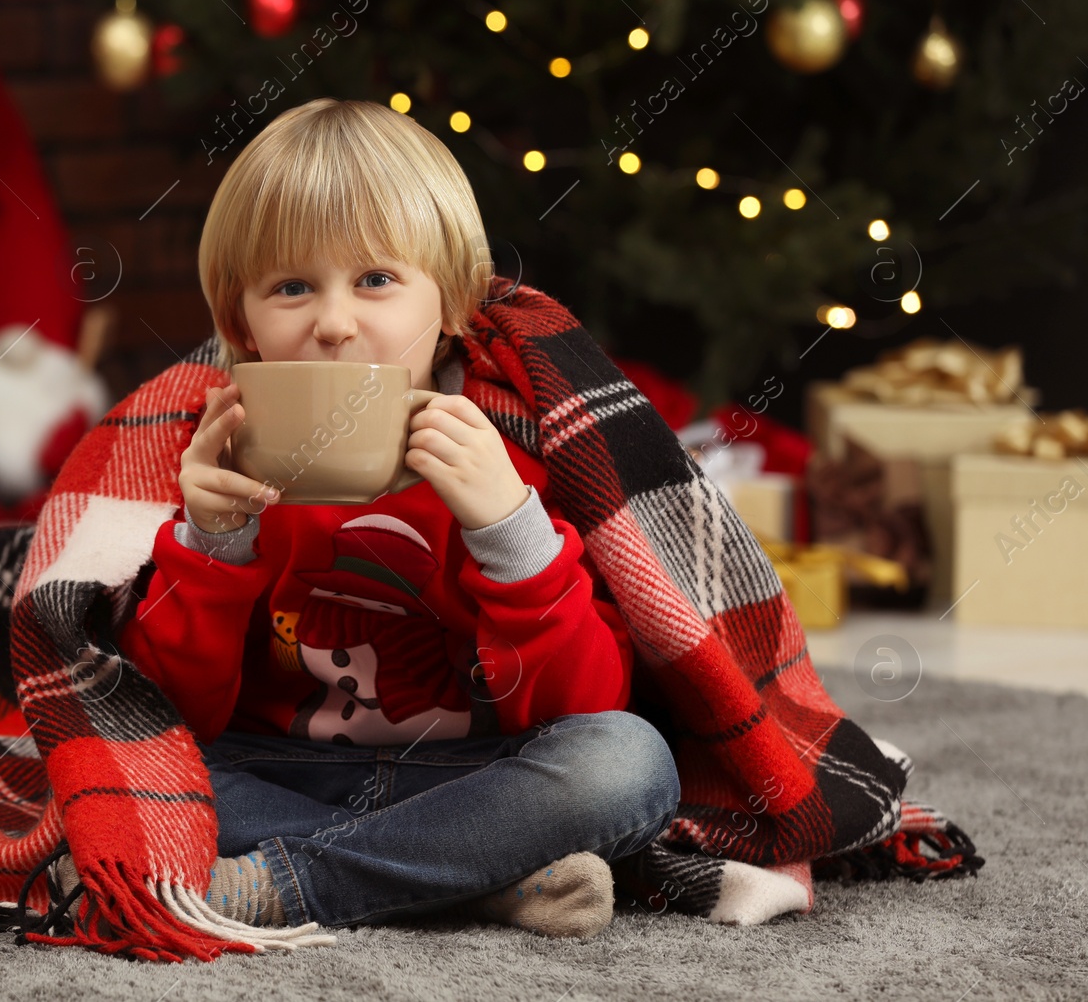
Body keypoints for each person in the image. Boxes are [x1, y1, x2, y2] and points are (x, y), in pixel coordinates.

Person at [57, 98, 679, 941]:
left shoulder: (517, 455)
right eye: (291, 287)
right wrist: (213, 541)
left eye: (376, 279)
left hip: (471, 776)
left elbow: (584, 704)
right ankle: (473, 880)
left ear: (454, 302)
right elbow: (172, 711)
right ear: (242, 323)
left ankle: (296, 882)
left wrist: (511, 531)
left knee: (629, 761)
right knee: (98, 770)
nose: (335, 322)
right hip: (282, 768)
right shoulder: (217, 461)